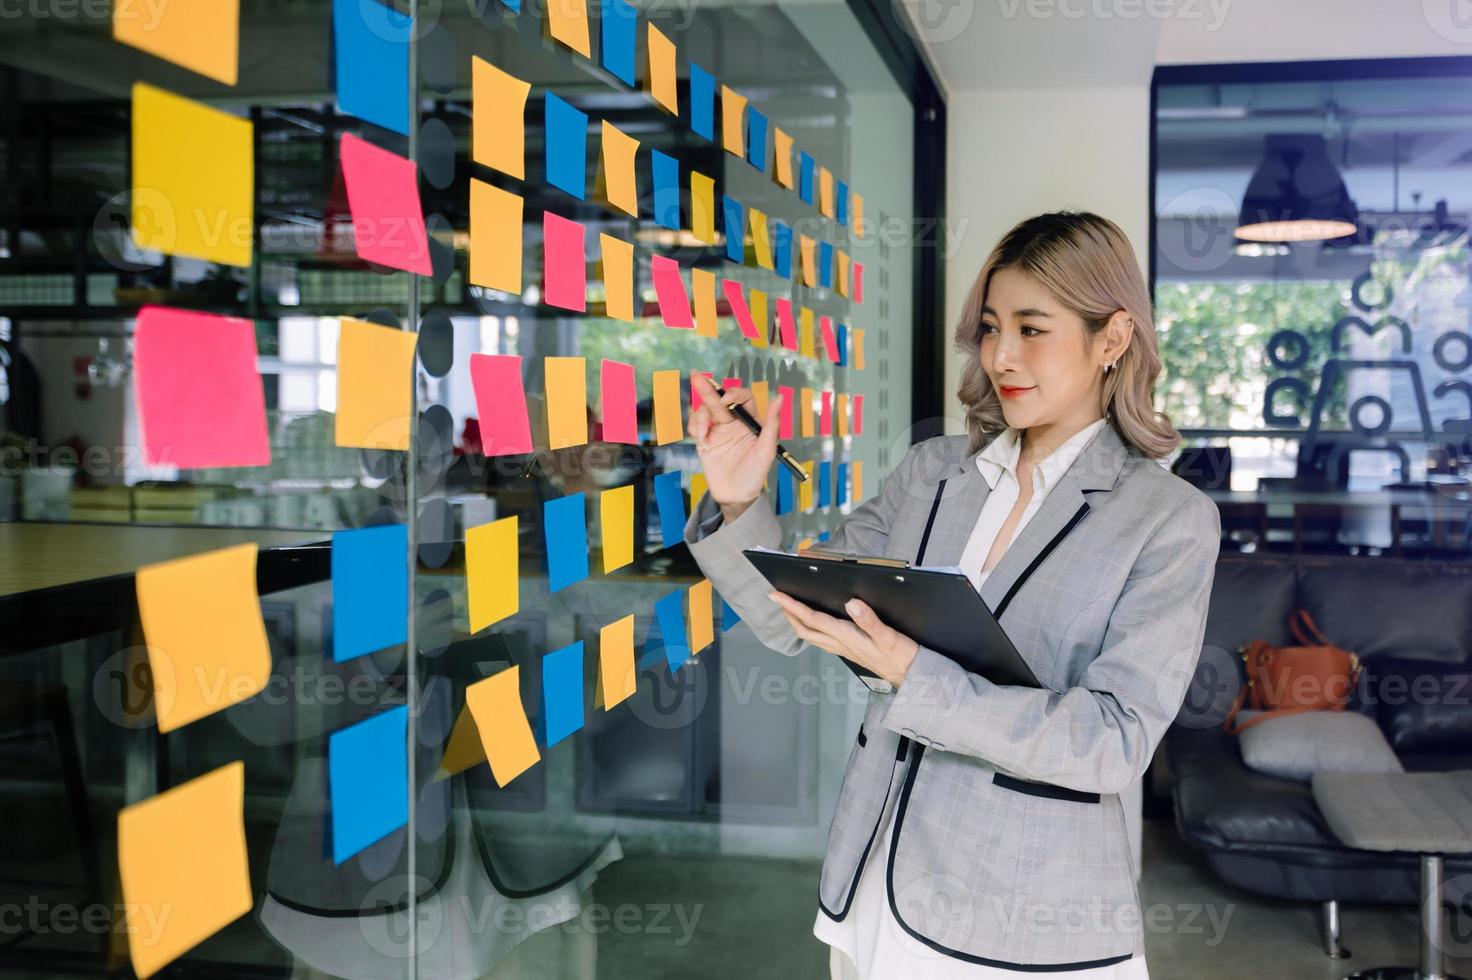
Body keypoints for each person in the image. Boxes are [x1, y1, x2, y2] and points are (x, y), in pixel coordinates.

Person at [681, 211, 1222, 978]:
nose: (1002, 355)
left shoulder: (1168, 520)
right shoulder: (933, 471)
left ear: (1112, 338)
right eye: (993, 327)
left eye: (1033, 329)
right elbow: (798, 617)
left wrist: (915, 674)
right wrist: (740, 501)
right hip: (871, 882)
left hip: (1023, 915)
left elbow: (1114, 740)